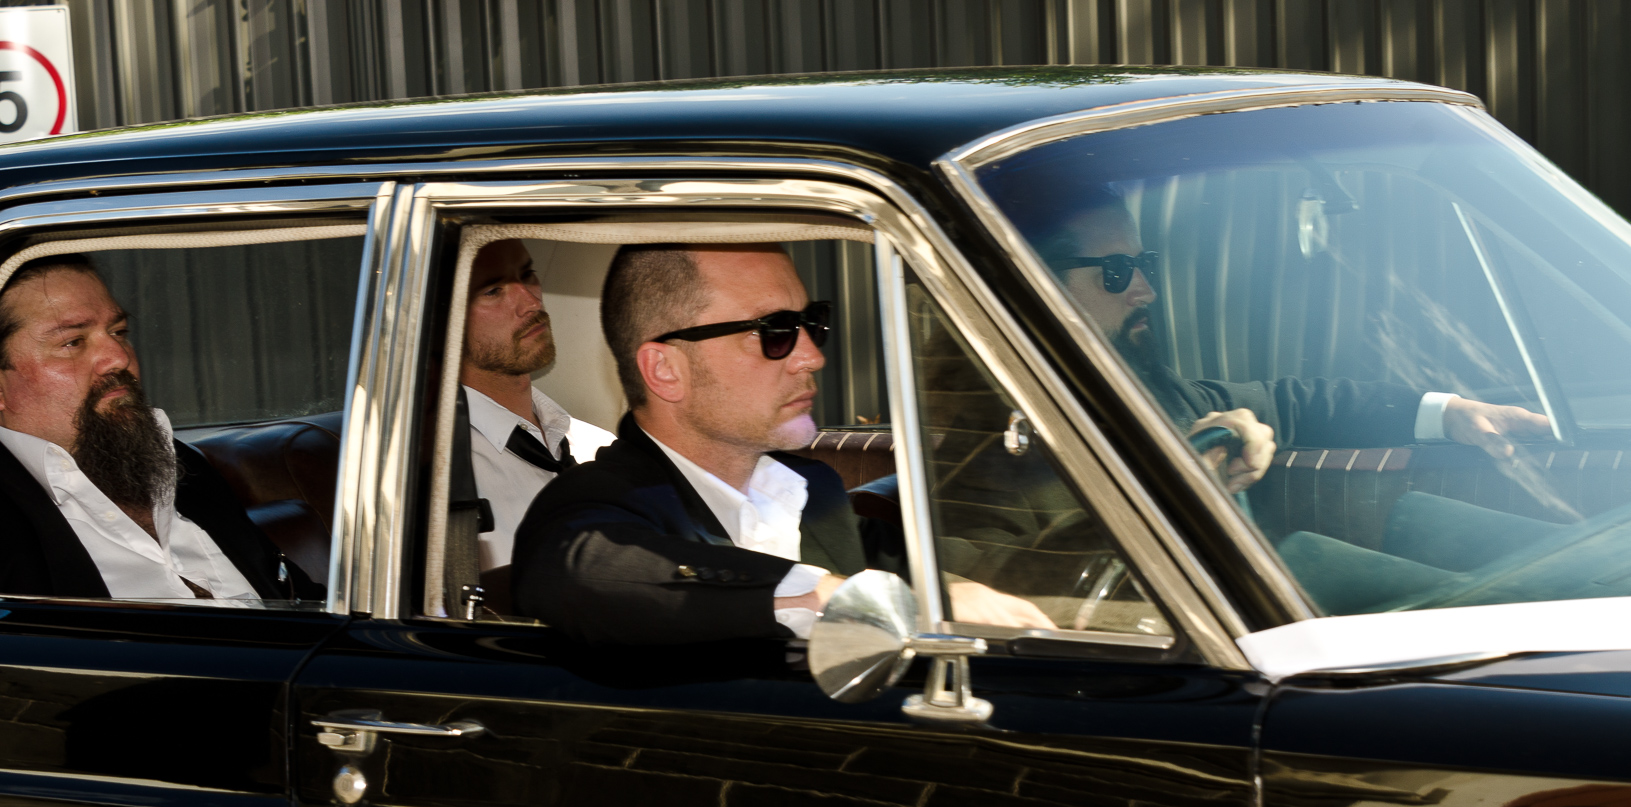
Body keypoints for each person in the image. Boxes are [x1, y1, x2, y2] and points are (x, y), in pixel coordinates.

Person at [511, 242, 1053, 644]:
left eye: (813, 322)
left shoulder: (811, 489)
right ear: (666, 370)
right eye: (774, 331)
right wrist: (835, 597)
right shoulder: (590, 508)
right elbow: (586, 573)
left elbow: (924, 563)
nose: (812, 356)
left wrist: (1073, 570)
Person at [1041, 190, 1553, 492]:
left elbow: (1291, 403)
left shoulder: (1156, 392)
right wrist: (1174, 476)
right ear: (1037, 281)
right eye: (1116, 270)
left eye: (1143, 264)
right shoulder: (1010, 436)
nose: (1146, 291)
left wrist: (1450, 413)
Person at [0, 254, 314, 601]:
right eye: (73, 342)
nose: (119, 357)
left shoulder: (179, 464)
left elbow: (302, 603)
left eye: (119, 332)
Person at [460, 238, 614, 571]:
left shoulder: (598, 446)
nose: (531, 302)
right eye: (493, 291)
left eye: (528, 274)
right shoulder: (442, 474)